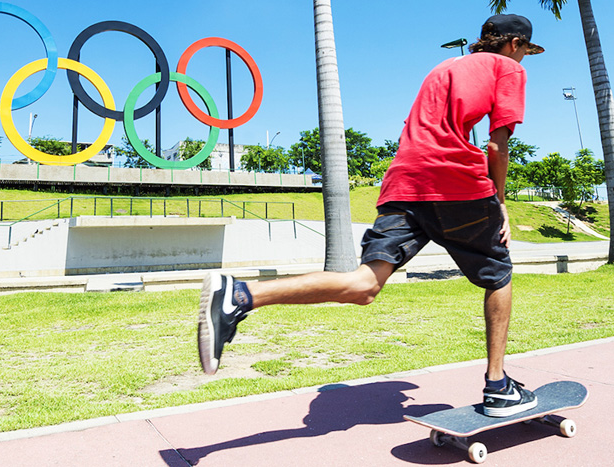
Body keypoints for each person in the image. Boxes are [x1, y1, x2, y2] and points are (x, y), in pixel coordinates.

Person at [197, 14, 543, 418]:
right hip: (454, 180)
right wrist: (499, 200)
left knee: (363, 285)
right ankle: (499, 386)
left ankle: (240, 296)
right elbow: (497, 145)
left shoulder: (443, 68)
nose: (523, 62)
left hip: (405, 180)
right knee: (499, 272)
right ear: (516, 44)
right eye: (526, 53)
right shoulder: (507, 68)